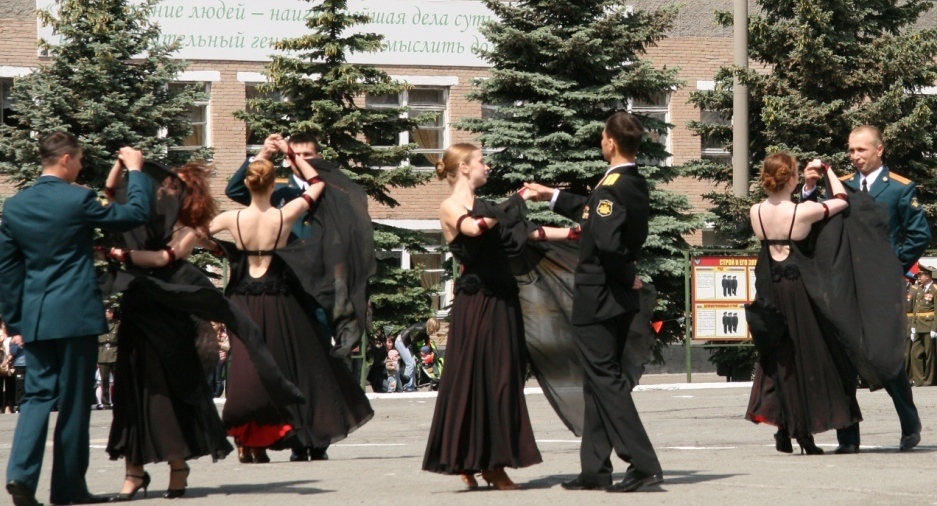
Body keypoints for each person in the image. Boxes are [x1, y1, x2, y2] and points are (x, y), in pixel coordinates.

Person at [0, 133, 152, 506]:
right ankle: (68, 488)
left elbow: (7, 268)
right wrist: (135, 172)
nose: (82, 166)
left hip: (36, 317)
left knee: (36, 398)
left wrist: (16, 321)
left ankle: (20, 474)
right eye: (80, 159)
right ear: (66, 159)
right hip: (76, 315)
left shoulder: (15, 206)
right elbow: (134, 215)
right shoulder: (77, 198)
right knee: (73, 401)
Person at [422, 143, 575, 491]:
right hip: (477, 303)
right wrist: (517, 198)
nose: (486, 167)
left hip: (503, 302)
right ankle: (480, 462)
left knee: (504, 379)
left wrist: (575, 232)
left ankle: (487, 460)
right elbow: (475, 229)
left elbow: (530, 233)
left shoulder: (491, 207)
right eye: (481, 161)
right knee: (476, 380)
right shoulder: (450, 207)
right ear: (463, 167)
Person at [523, 112, 662, 493]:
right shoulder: (630, 182)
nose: (601, 141)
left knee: (606, 381)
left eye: (602, 136)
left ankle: (643, 464)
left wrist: (625, 275)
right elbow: (594, 214)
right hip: (615, 299)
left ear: (611, 142)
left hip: (598, 295)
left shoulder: (611, 188)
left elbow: (605, 243)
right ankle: (595, 468)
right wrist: (550, 195)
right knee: (598, 381)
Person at [210, 140, 373, 465]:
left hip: (315, 286)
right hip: (284, 285)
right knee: (282, 362)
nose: (299, 159)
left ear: (317, 156)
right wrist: (266, 155)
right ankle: (293, 437)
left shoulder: (337, 193)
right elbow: (236, 188)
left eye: (307, 155)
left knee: (313, 361)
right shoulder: (281, 194)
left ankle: (314, 435)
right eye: (297, 154)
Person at [104, 160, 233, 501]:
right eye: (164, 185)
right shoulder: (145, 220)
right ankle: (134, 472)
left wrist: (121, 254)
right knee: (132, 393)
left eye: (172, 187)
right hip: (138, 313)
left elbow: (164, 259)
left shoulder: (189, 231)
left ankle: (178, 467)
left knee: (167, 395)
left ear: (186, 196)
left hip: (169, 322)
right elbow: (110, 195)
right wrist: (123, 166)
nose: (163, 189)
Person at [803, 124, 929, 453]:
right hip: (845, 280)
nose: (855, 156)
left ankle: (909, 421)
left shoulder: (900, 188)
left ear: (879, 150)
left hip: (881, 284)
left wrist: (893, 266)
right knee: (844, 353)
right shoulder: (840, 186)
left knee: (884, 356)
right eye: (851, 150)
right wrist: (809, 188)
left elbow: (919, 235)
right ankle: (848, 436)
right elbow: (817, 219)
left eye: (861, 150)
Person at [744, 154, 861, 454]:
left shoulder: (755, 210)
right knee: (807, 357)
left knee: (778, 359)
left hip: (769, 289)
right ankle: (804, 435)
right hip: (796, 290)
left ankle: (784, 430)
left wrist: (806, 181)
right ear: (791, 178)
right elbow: (842, 199)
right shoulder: (802, 212)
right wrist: (827, 170)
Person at [908, 264, 937, 386]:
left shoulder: (935, 289)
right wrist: (913, 326)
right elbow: (916, 309)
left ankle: (929, 380)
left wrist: (934, 328)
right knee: (915, 353)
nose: (919, 277)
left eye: (921, 274)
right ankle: (919, 379)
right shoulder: (920, 289)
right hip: (919, 325)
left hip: (929, 325)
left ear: (928, 275)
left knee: (930, 355)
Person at [96, 307, 118, 410]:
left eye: (112, 311)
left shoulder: (117, 324)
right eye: (109, 311)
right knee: (104, 381)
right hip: (103, 355)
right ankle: (106, 403)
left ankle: (118, 401)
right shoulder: (98, 324)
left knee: (118, 379)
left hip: (115, 354)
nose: (111, 313)